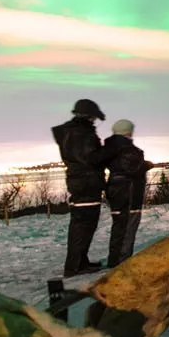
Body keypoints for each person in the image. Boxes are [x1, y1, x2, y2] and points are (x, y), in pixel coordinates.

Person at [51, 98, 107, 276]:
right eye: (93, 118)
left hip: (79, 181)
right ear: (88, 116)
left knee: (81, 224)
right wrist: (107, 151)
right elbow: (91, 158)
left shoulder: (71, 133)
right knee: (84, 225)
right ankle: (75, 265)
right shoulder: (82, 134)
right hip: (87, 182)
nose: (94, 122)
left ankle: (80, 261)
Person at [97, 119, 153, 267]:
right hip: (129, 192)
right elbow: (131, 168)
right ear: (128, 132)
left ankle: (114, 259)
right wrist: (146, 165)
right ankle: (122, 262)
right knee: (128, 226)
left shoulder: (108, 148)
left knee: (119, 226)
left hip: (115, 191)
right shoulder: (127, 148)